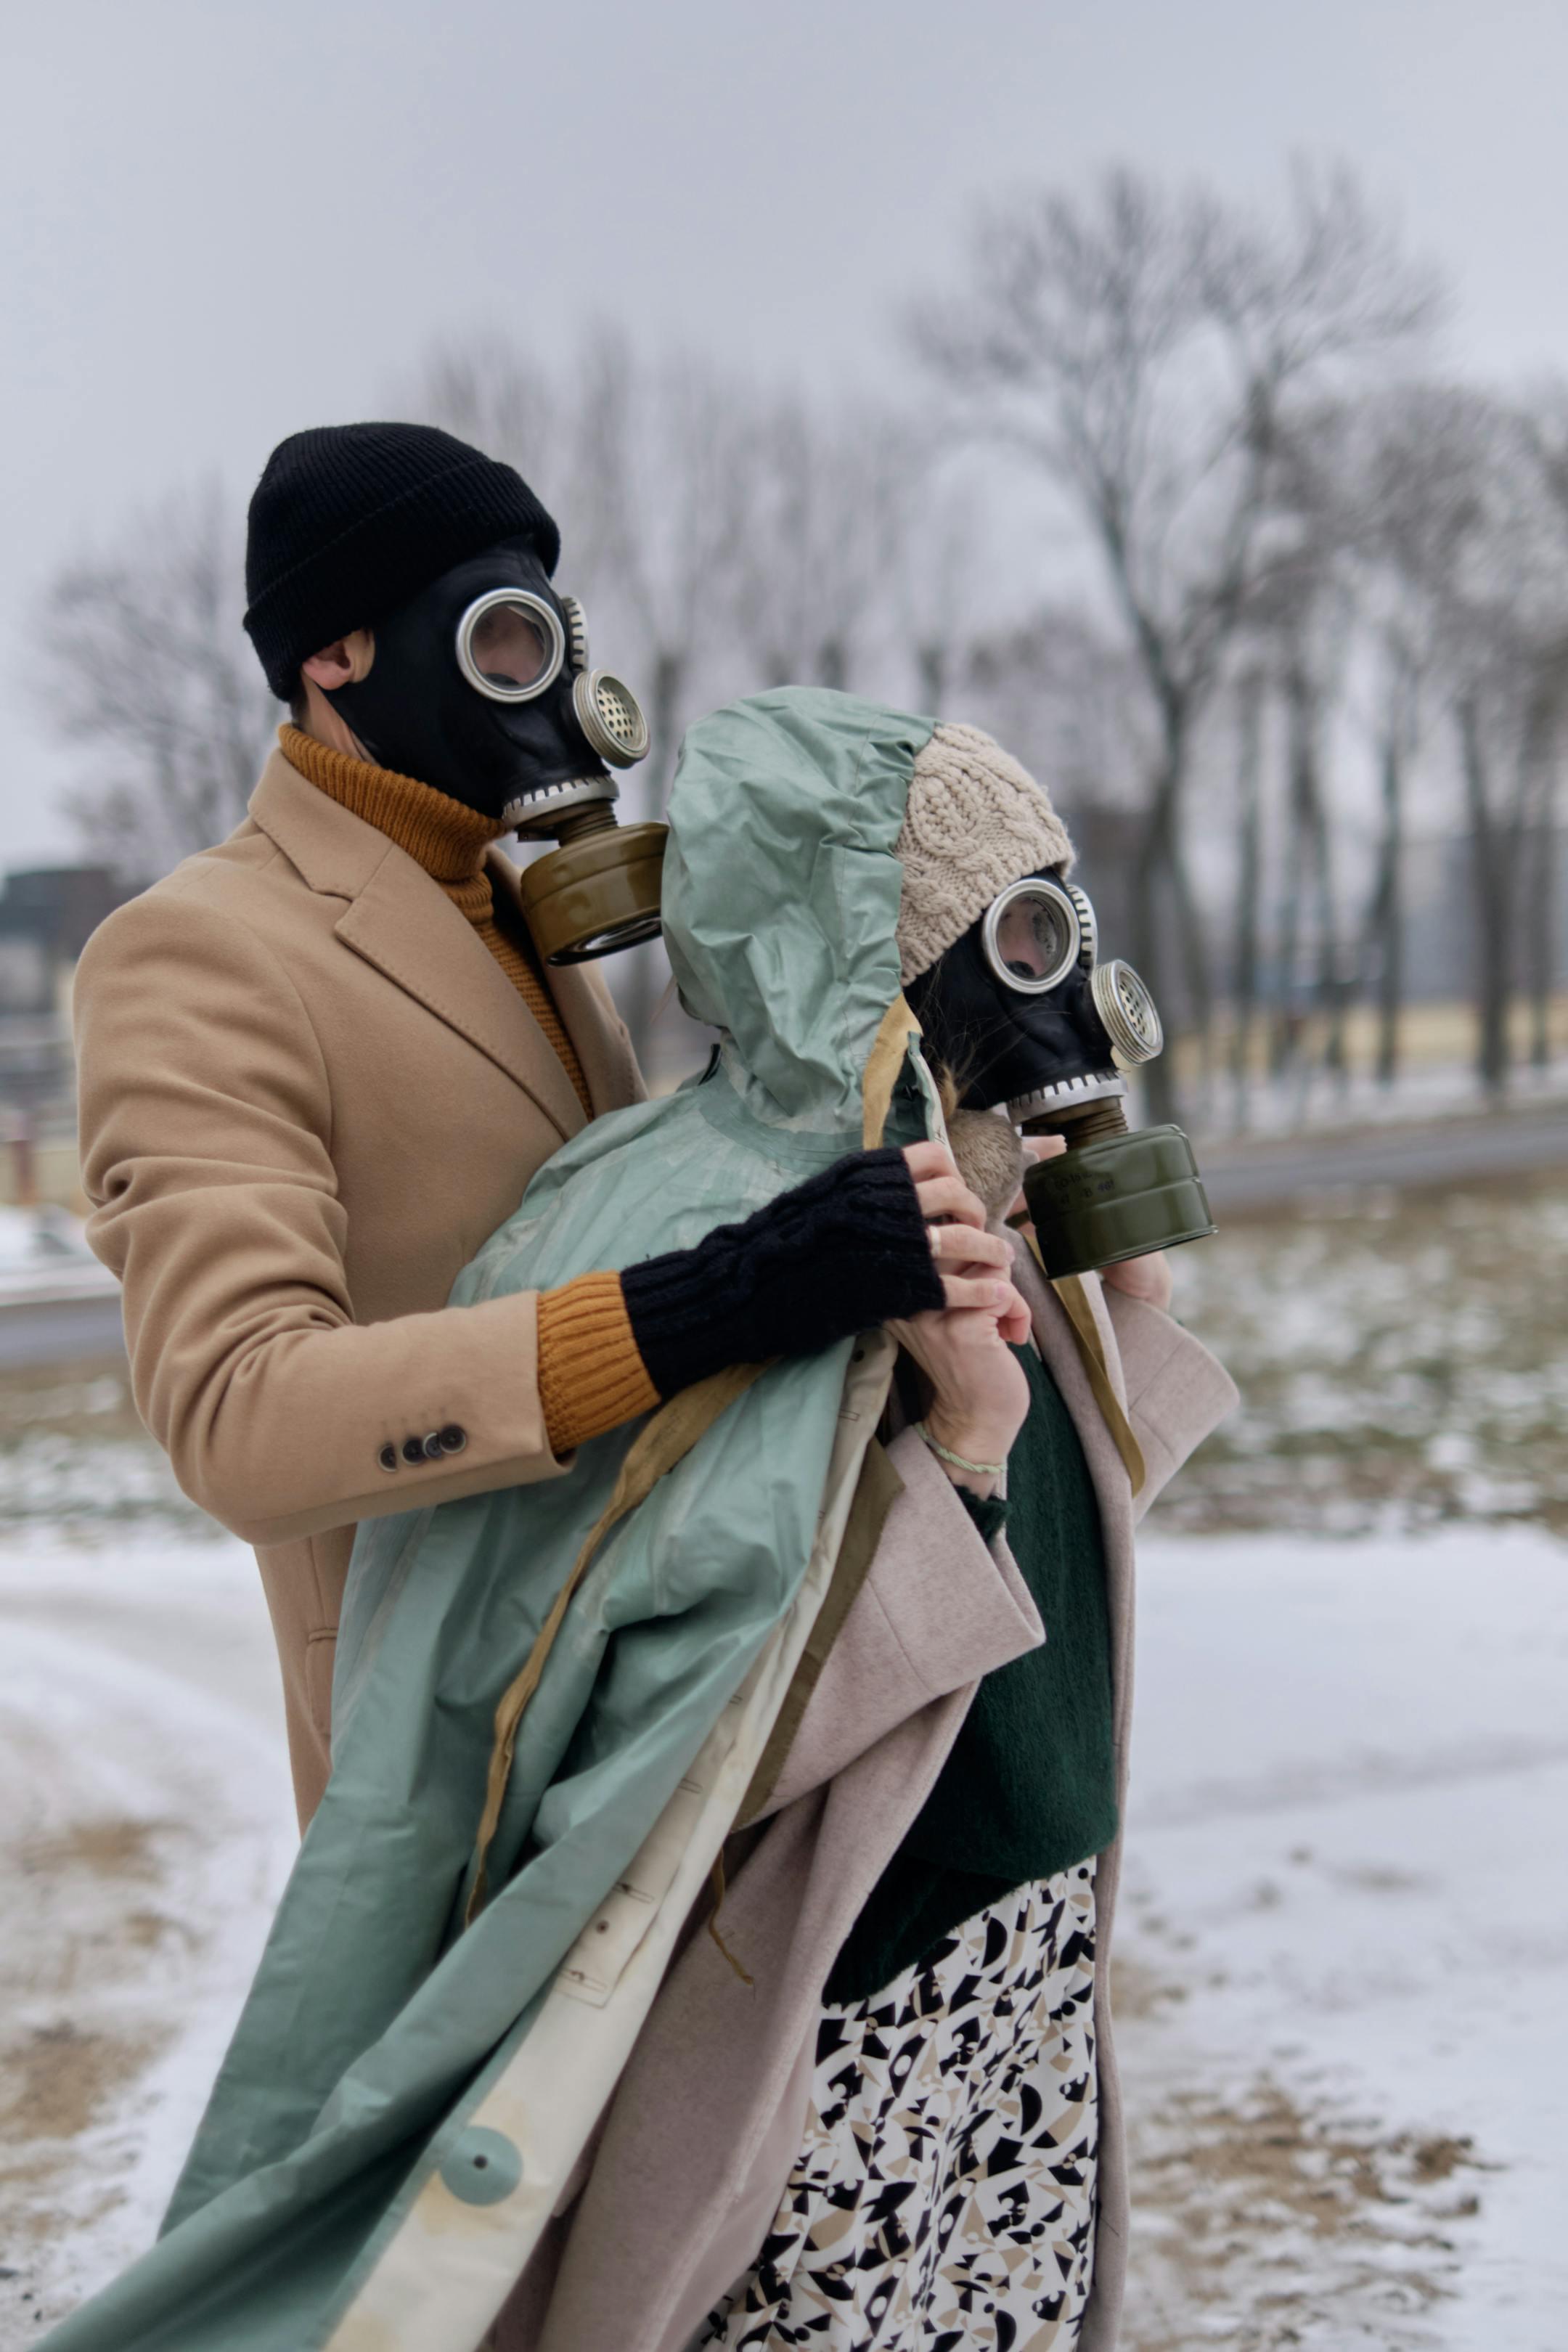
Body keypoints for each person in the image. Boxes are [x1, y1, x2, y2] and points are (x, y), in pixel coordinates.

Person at [70, 428, 1008, 1829]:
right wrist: (713, 1299)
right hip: (453, 1764)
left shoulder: (533, 928)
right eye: (506, 642)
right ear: (339, 649)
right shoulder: (197, 952)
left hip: (664, 1699)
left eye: (559, 640)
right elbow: (240, 1421)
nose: (552, 686)